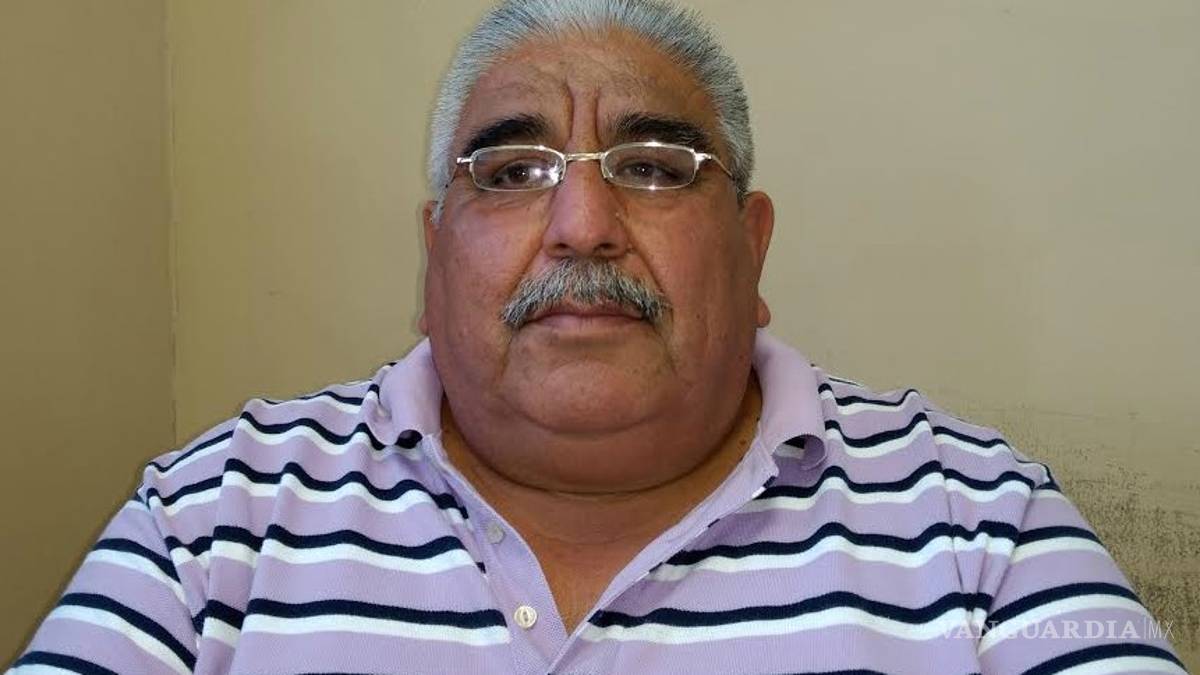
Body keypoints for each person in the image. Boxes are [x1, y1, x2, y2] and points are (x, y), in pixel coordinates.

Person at [9, 1, 1185, 673]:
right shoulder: (212, 520)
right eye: (512, 170)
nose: (582, 222)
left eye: (655, 167)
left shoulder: (982, 523)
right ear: (434, 257)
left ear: (752, 250)